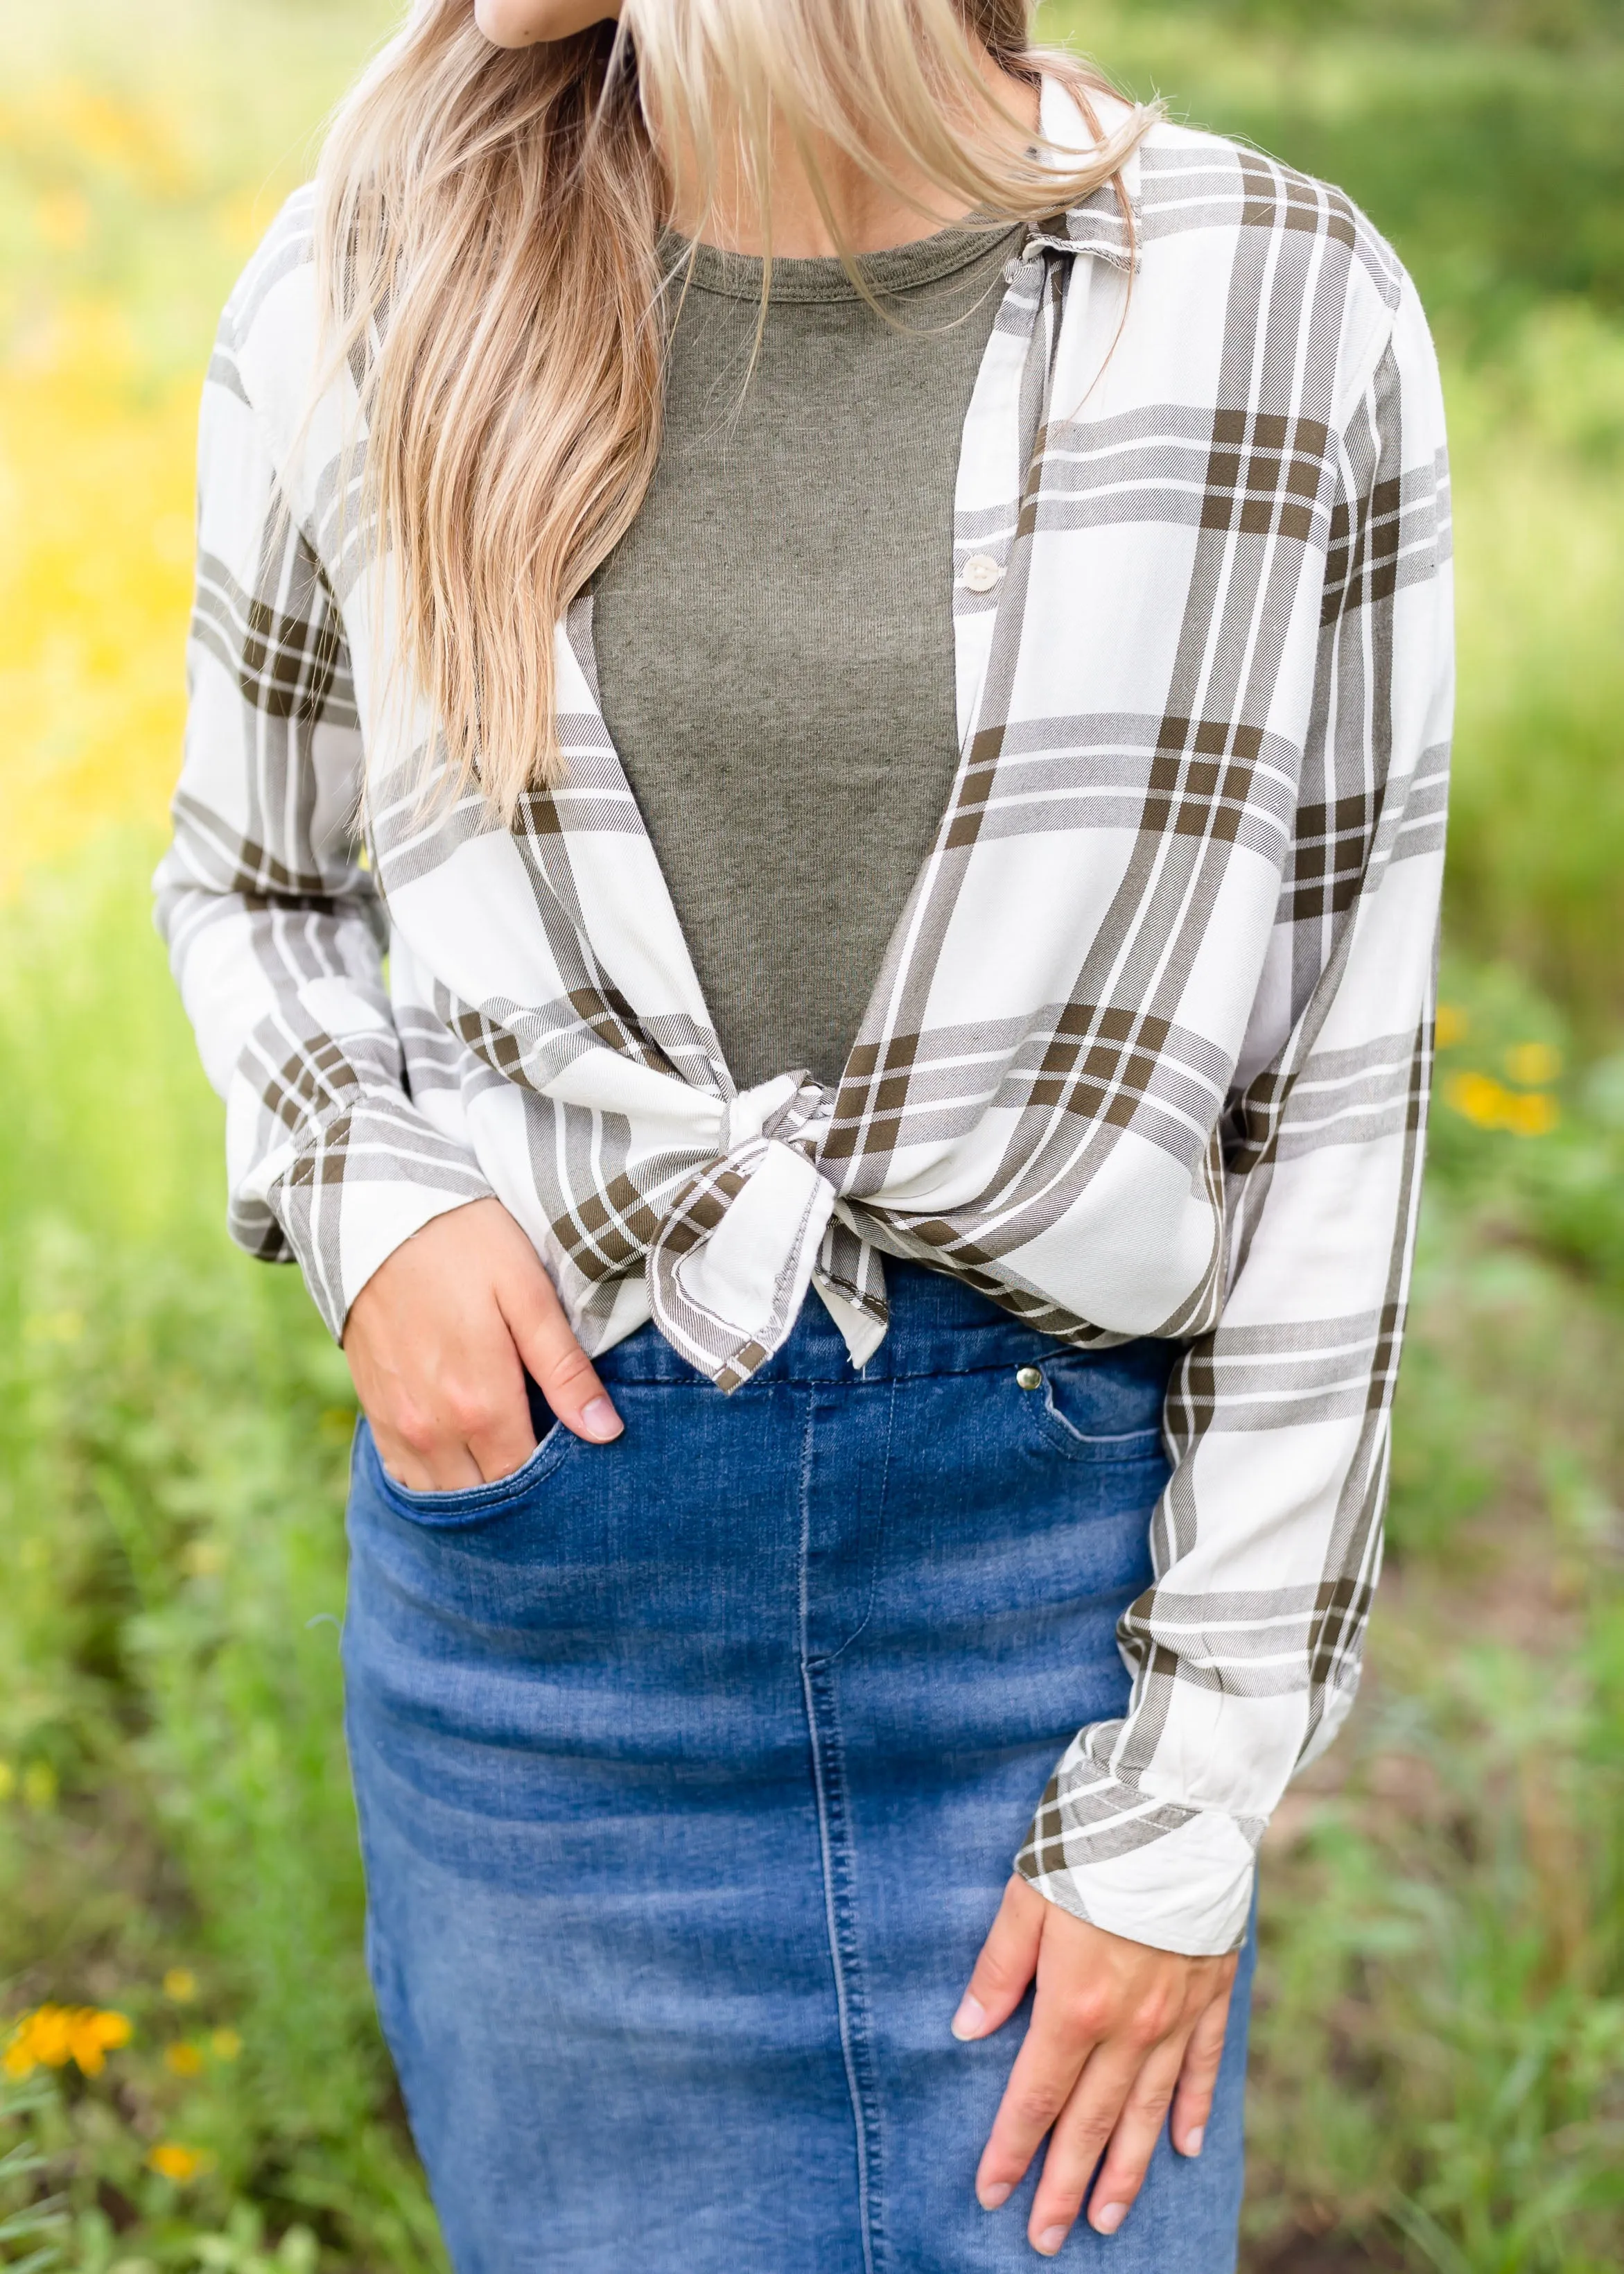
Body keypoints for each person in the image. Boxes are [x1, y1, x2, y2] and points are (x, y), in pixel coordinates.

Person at [155, 0, 1453, 2266]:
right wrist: (364, 1200)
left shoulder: (1277, 300)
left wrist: (1187, 1799)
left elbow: (1332, 1096)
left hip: (1044, 1602)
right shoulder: (372, 274)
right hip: (555, 1609)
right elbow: (247, 878)